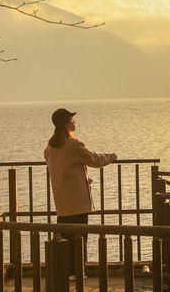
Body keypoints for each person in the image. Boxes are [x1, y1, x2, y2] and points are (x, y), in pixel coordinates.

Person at [44, 108, 117, 277]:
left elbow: (64, 168)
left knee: (66, 239)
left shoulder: (50, 147)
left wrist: (82, 178)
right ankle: (78, 272)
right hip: (77, 202)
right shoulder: (73, 144)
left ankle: (67, 272)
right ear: (65, 124)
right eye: (71, 120)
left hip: (62, 201)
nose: (74, 122)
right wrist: (112, 156)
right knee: (80, 239)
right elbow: (95, 160)